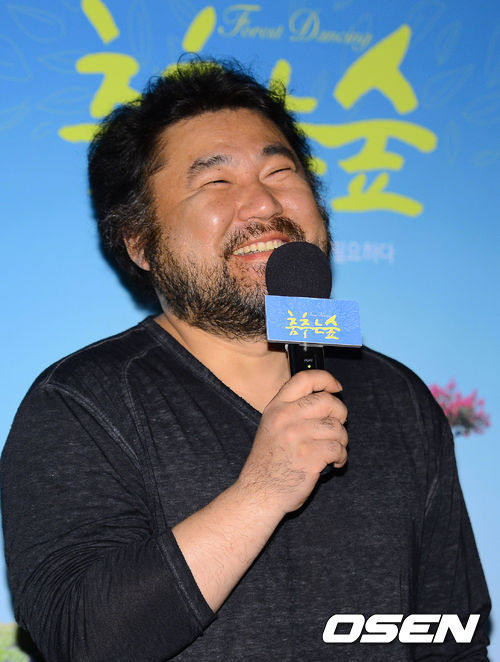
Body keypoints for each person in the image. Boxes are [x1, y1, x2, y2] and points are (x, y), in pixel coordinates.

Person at [0, 58, 490, 661]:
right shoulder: (82, 403)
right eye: (216, 181)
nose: (261, 201)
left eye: (280, 171)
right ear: (140, 242)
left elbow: (453, 637)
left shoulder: (398, 397)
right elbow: (81, 638)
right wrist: (262, 490)